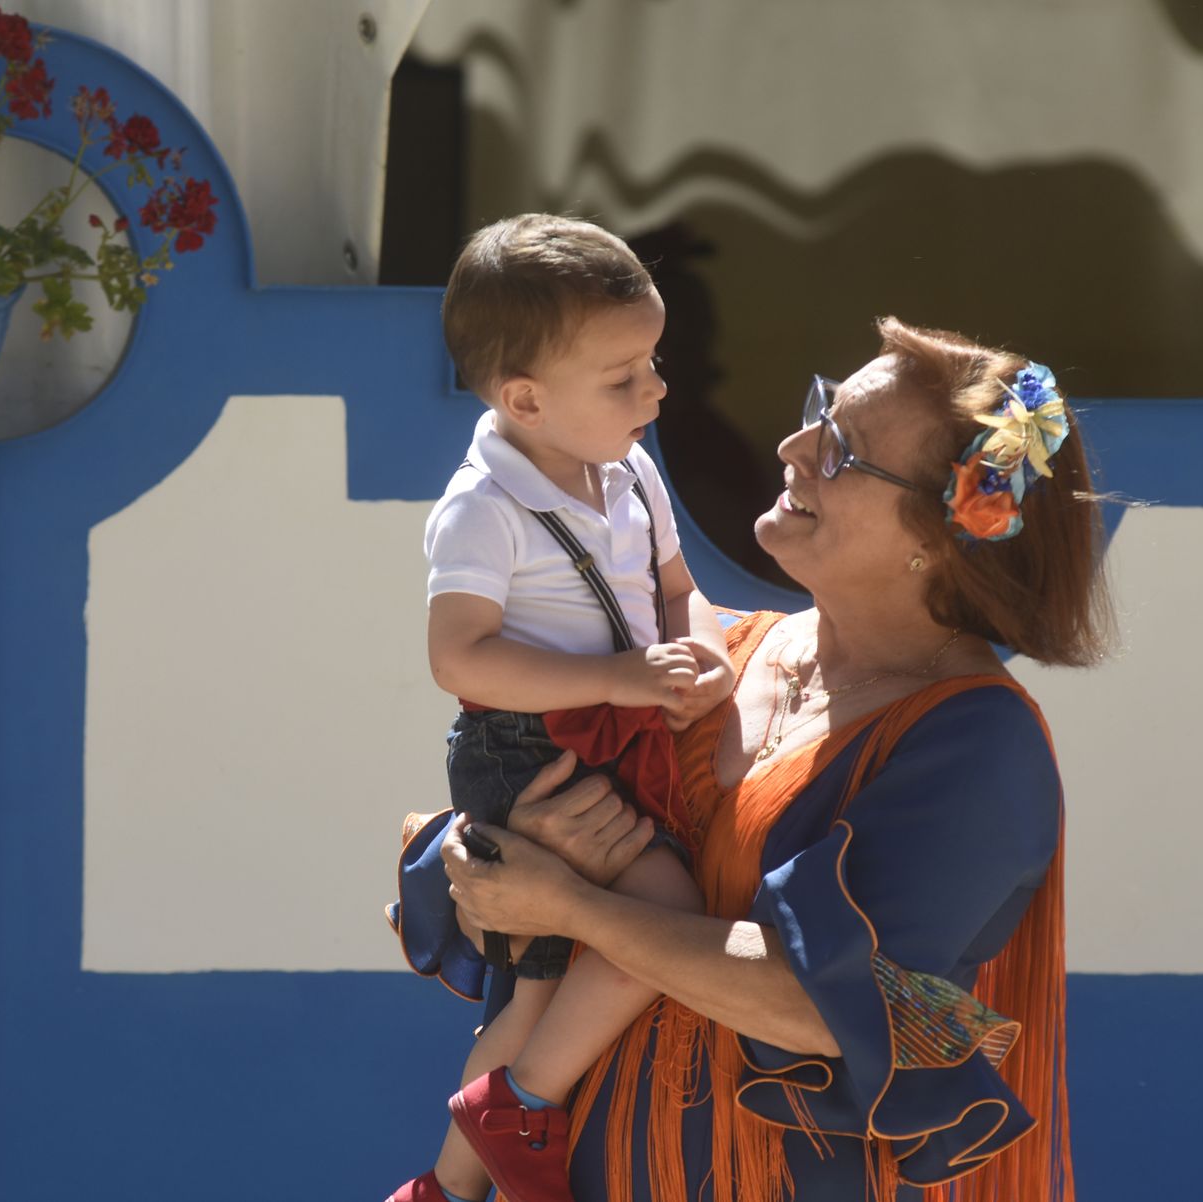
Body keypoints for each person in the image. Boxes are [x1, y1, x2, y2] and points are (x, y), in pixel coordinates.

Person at [403, 317, 1107, 1202]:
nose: (792, 444)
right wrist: (504, 862)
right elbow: (481, 906)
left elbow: (818, 1004)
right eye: (823, 408)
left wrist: (573, 903)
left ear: (931, 537)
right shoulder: (694, 658)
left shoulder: (976, 746)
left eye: (842, 448)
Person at [387, 214, 734, 1202]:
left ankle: (444, 1186)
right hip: (527, 751)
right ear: (525, 398)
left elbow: (676, 587)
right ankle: (523, 1102)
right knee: (662, 917)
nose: (656, 389)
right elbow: (459, 656)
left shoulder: (630, 469)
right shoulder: (481, 508)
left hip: (610, 738)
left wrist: (698, 646)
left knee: (537, 986)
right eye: (622, 378)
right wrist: (621, 681)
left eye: (653, 361)